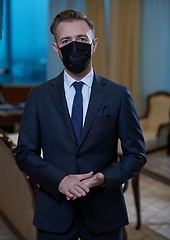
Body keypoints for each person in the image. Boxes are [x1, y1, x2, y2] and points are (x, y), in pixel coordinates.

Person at [15, 9, 146, 240]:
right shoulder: (38, 96)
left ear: (93, 44)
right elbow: (25, 153)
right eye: (66, 41)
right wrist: (60, 180)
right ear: (56, 49)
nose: (74, 46)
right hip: (54, 212)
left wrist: (103, 178)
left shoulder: (118, 95)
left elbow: (136, 154)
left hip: (105, 212)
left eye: (81, 39)